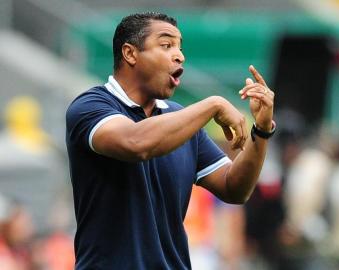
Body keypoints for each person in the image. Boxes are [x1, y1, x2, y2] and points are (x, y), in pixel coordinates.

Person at [65, 12, 275, 270]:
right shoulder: (91, 106)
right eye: (166, 45)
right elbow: (135, 143)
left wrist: (262, 130)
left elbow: (235, 188)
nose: (179, 55)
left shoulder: (180, 119)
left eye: (180, 47)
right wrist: (213, 104)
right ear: (130, 54)